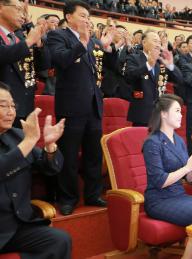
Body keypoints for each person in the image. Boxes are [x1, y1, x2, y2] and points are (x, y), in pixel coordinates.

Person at [46, 0, 118, 215]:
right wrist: (83, 43)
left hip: (93, 106)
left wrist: (109, 47)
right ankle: (67, 198)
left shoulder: (92, 40)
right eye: (83, 15)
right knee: (68, 155)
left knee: (93, 155)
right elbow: (60, 60)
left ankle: (93, 194)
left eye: (89, 16)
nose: (87, 20)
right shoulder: (58, 36)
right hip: (71, 106)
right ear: (68, 17)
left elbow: (111, 66)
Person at [0, 82, 71, 258]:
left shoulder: (18, 136)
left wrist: (49, 145)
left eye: (12, 106)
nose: (10, 111)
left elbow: (51, 168)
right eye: (3, 106)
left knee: (60, 240)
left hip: (16, 225)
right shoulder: (26, 140)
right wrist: (29, 140)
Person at [143, 94, 192, 259]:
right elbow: (160, 181)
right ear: (163, 114)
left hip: (179, 195)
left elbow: (189, 180)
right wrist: (188, 167)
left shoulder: (178, 140)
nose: (181, 115)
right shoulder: (152, 143)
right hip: (159, 200)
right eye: (177, 111)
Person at [0, 0, 48, 127]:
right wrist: (29, 41)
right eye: (18, 9)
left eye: (24, 11)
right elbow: (4, 54)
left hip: (24, 106)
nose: (23, 15)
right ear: (1, 7)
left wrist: (39, 46)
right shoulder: (24, 41)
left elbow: (43, 66)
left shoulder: (19, 39)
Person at [125, 30, 183, 126]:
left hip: (160, 113)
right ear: (144, 42)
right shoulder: (134, 58)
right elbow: (129, 77)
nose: (158, 44)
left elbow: (179, 80)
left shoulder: (160, 61)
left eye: (159, 42)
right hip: (141, 113)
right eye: (155, 41)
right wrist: (148, 65)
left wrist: (170, 65)